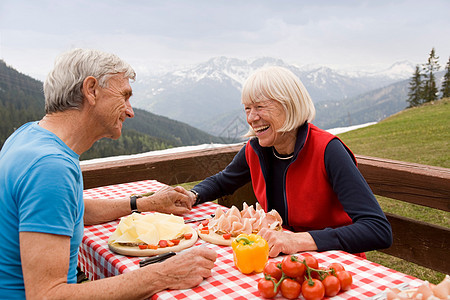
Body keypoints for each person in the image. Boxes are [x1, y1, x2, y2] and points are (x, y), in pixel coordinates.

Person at [0, 48, 216, 299]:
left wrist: (144, 203)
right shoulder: (50, 167)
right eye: (124, 96)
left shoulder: (29, 136)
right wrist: (163, 274)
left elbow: (70, 209)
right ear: (91, 90)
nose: (130, 111)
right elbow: (48, 295)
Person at [189, 66, 393, 258]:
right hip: (285, 259)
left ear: (289, 106)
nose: (251, 118)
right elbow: (223, 181)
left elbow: (377, 229)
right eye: (247, 108)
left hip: (334, 263)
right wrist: (192, 195)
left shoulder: (328, 150)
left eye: (260, 107)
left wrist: (299, 240)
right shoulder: (256, 149)